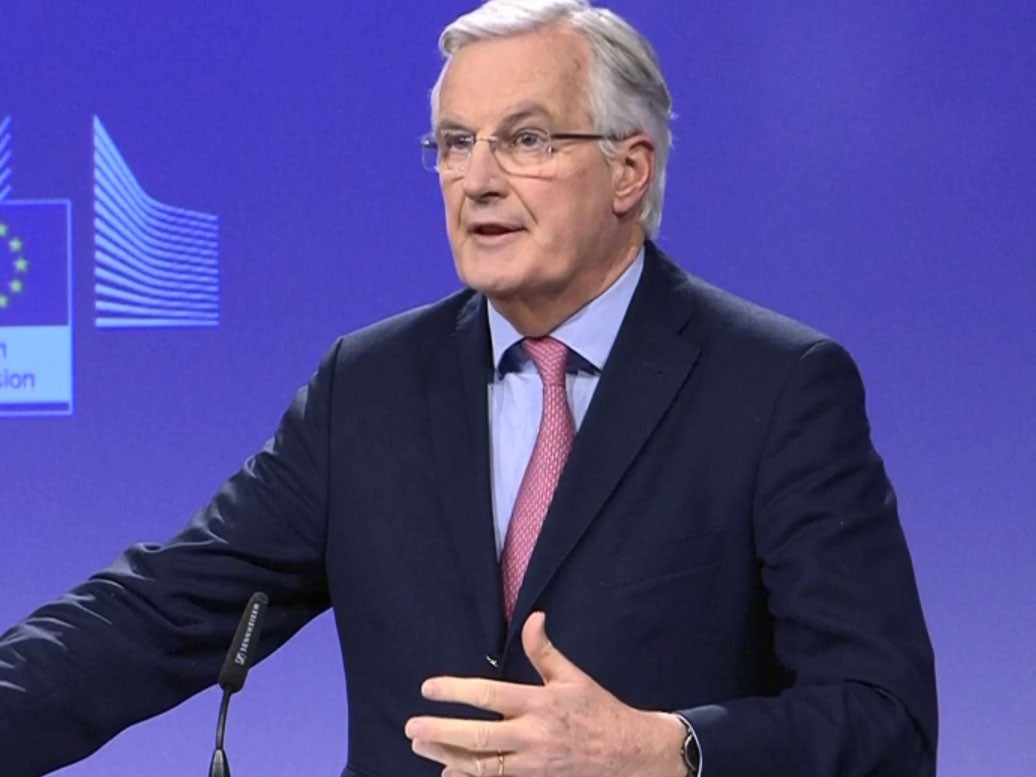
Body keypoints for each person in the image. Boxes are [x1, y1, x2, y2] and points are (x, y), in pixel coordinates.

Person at [0, 1, 937, 775]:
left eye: (525, 139)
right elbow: (158, 611)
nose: (476, 179)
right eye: (454, 143)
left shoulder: (776, 389)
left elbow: (885, 718)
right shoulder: (365, 387)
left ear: (630, 169)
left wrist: (672, 746)